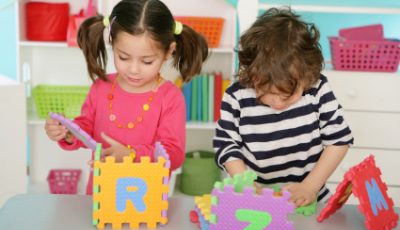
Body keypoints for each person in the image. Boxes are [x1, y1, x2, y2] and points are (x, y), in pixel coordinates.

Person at [44, 0, 209, 194]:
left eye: (147, 61)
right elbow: (86, 127)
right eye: (123, 57)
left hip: (147, 201)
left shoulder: (170, 97)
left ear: (168, 52)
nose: (133, 70)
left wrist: (131, 155)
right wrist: (69, 132)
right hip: (100, 195)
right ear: (112, 44)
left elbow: (173, 155)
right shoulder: (101, 87)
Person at [213, 7, 353, 207]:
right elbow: (226, 145)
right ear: (251, 75)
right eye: (265, 92)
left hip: (310, 197)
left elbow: (339, 140)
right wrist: (245, 184)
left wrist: (311, 186)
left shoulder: (318, 89)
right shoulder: (236, 96)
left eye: (288, 95)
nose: (277, 103)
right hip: (256, 200)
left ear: (307, 76)